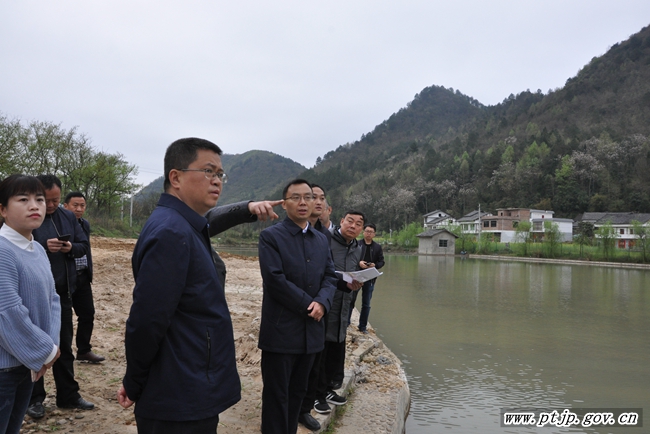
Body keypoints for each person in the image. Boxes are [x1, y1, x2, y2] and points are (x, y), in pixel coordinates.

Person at [118, 137, 241, 433]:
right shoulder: (172, 232)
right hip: (178, 395)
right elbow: (147, 320)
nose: (217, 181)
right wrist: (134, 381)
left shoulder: (186, 225)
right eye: (208, 171)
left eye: (220, 174)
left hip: (190, 381)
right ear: (176, 177)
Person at [258, 179, 337, 434]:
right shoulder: (271, 237)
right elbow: (275, 280)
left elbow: (330, 276)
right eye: (296, 197)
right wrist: (310, 304)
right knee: (277, 395)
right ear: (284, 203)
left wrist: (323, 302)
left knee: (298, 393)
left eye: (309, 197)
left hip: (312, 333)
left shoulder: (321, 239)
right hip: (281, 332)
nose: (303, 202)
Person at [28, 174, 94, 419]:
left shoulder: (68, 217)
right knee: (37, 347)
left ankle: (68, 396)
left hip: (63, 292)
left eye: (56, 200)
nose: (52, 205)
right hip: (35, 295)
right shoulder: (29, 215)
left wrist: (69, 248)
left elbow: (83, 246)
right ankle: (34, 399)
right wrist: (45, 247)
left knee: (64, 347)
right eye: (48, 200)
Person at [0, 174, 61, 433]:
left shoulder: (37, 249)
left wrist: (51, 346)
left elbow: (53, 300)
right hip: (4, 369)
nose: (34, 206)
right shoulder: (3, 251)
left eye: (39, 199)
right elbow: (8, 312)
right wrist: (46, 352)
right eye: (23, 199)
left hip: (27, 365)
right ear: (2, 209)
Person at [318, 211, 365, 408]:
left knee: (336, 349)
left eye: (358, 224)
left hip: (344, 305)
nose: (353, 226)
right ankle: (315, 394)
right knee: (321, 350)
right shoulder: (325, 241)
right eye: (350, 221)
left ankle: (328, 389)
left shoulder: (357, 247)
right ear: (341, 222)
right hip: (326, 303)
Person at [298, 184, 333, 431]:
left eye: (320, 198)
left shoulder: (324, 235)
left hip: (322, 308)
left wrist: (322, 300)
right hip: (295, 308)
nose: (316, 202)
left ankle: (304, 409)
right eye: (313, 197)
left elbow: (329, 274)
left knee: (314, 363)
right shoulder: (282, 234)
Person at [63, 192, 105, 363]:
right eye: (75, 205)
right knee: (63, 319)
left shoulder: (84, 224)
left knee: (87, 314)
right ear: (65, 206)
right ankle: (59, 352)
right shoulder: (59, 224)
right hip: (65, 278)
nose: (79, 209)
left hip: (82, 276)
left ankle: (83, 350)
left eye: (82, 205)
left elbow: (86, 248)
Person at [349, 223, 385, 333]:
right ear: (363, 232)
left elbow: (382, 261)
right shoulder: (357, 244)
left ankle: (362, 327)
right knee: (351, 300)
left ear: (374, 234)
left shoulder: (377, 247)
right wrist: (359, 263)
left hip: (370, 277)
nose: (368, 233)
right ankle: (346, 323)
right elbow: (350, 259)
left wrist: (375, 265)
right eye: (367, 231)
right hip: (357, 276)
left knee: (366, 303)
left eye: (371, 232)